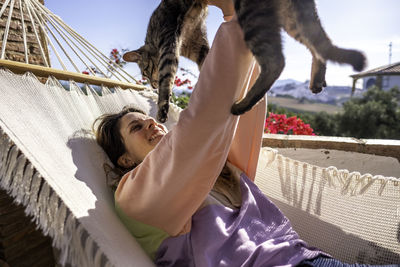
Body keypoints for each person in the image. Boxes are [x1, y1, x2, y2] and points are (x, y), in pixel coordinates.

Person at [93, 1, 399, 266]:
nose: (152, 124)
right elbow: (198, 128)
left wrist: (238, 22)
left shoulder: (214, 173)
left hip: (301, 255)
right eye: (136, 127)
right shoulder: (133, 197)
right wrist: (236, 19)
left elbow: (239, 119)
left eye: (151, 120)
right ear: (123, 159)